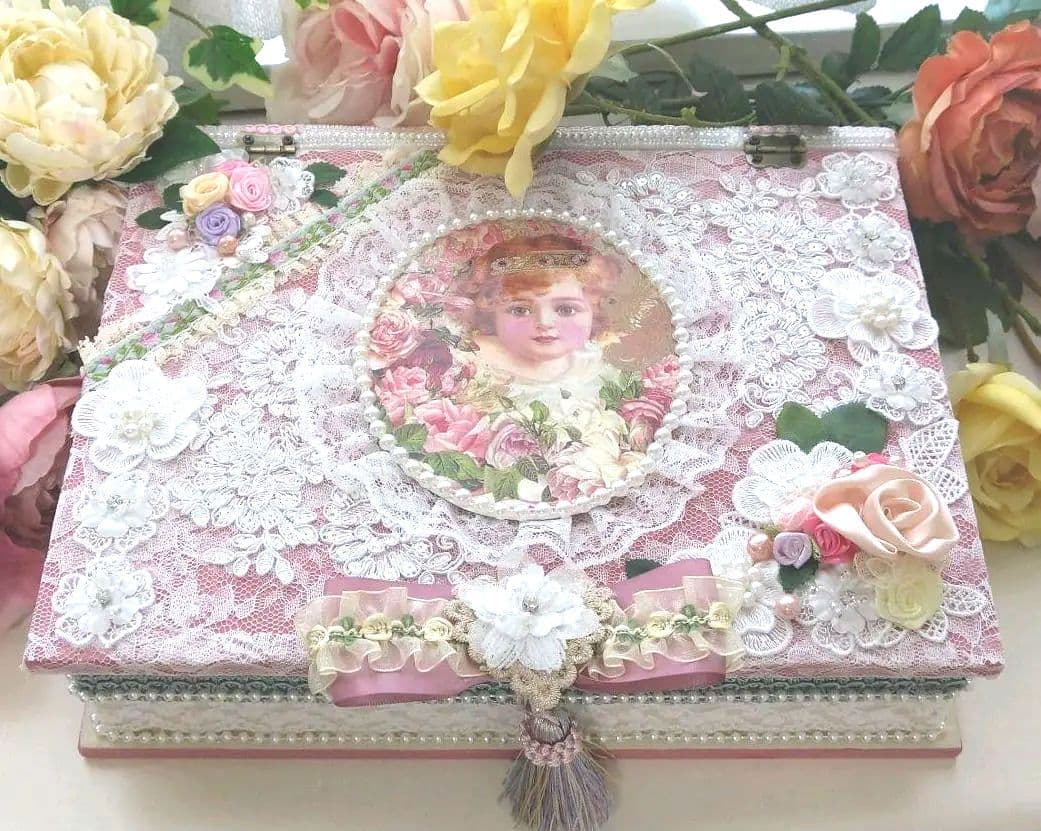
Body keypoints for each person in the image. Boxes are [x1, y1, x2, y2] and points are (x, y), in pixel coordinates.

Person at [457, 234, 622, 412]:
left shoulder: (589, 362)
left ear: (594, 310)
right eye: (520, 310)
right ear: (491, 312)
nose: (544, 322)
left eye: (566, 310)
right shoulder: (473, 359)